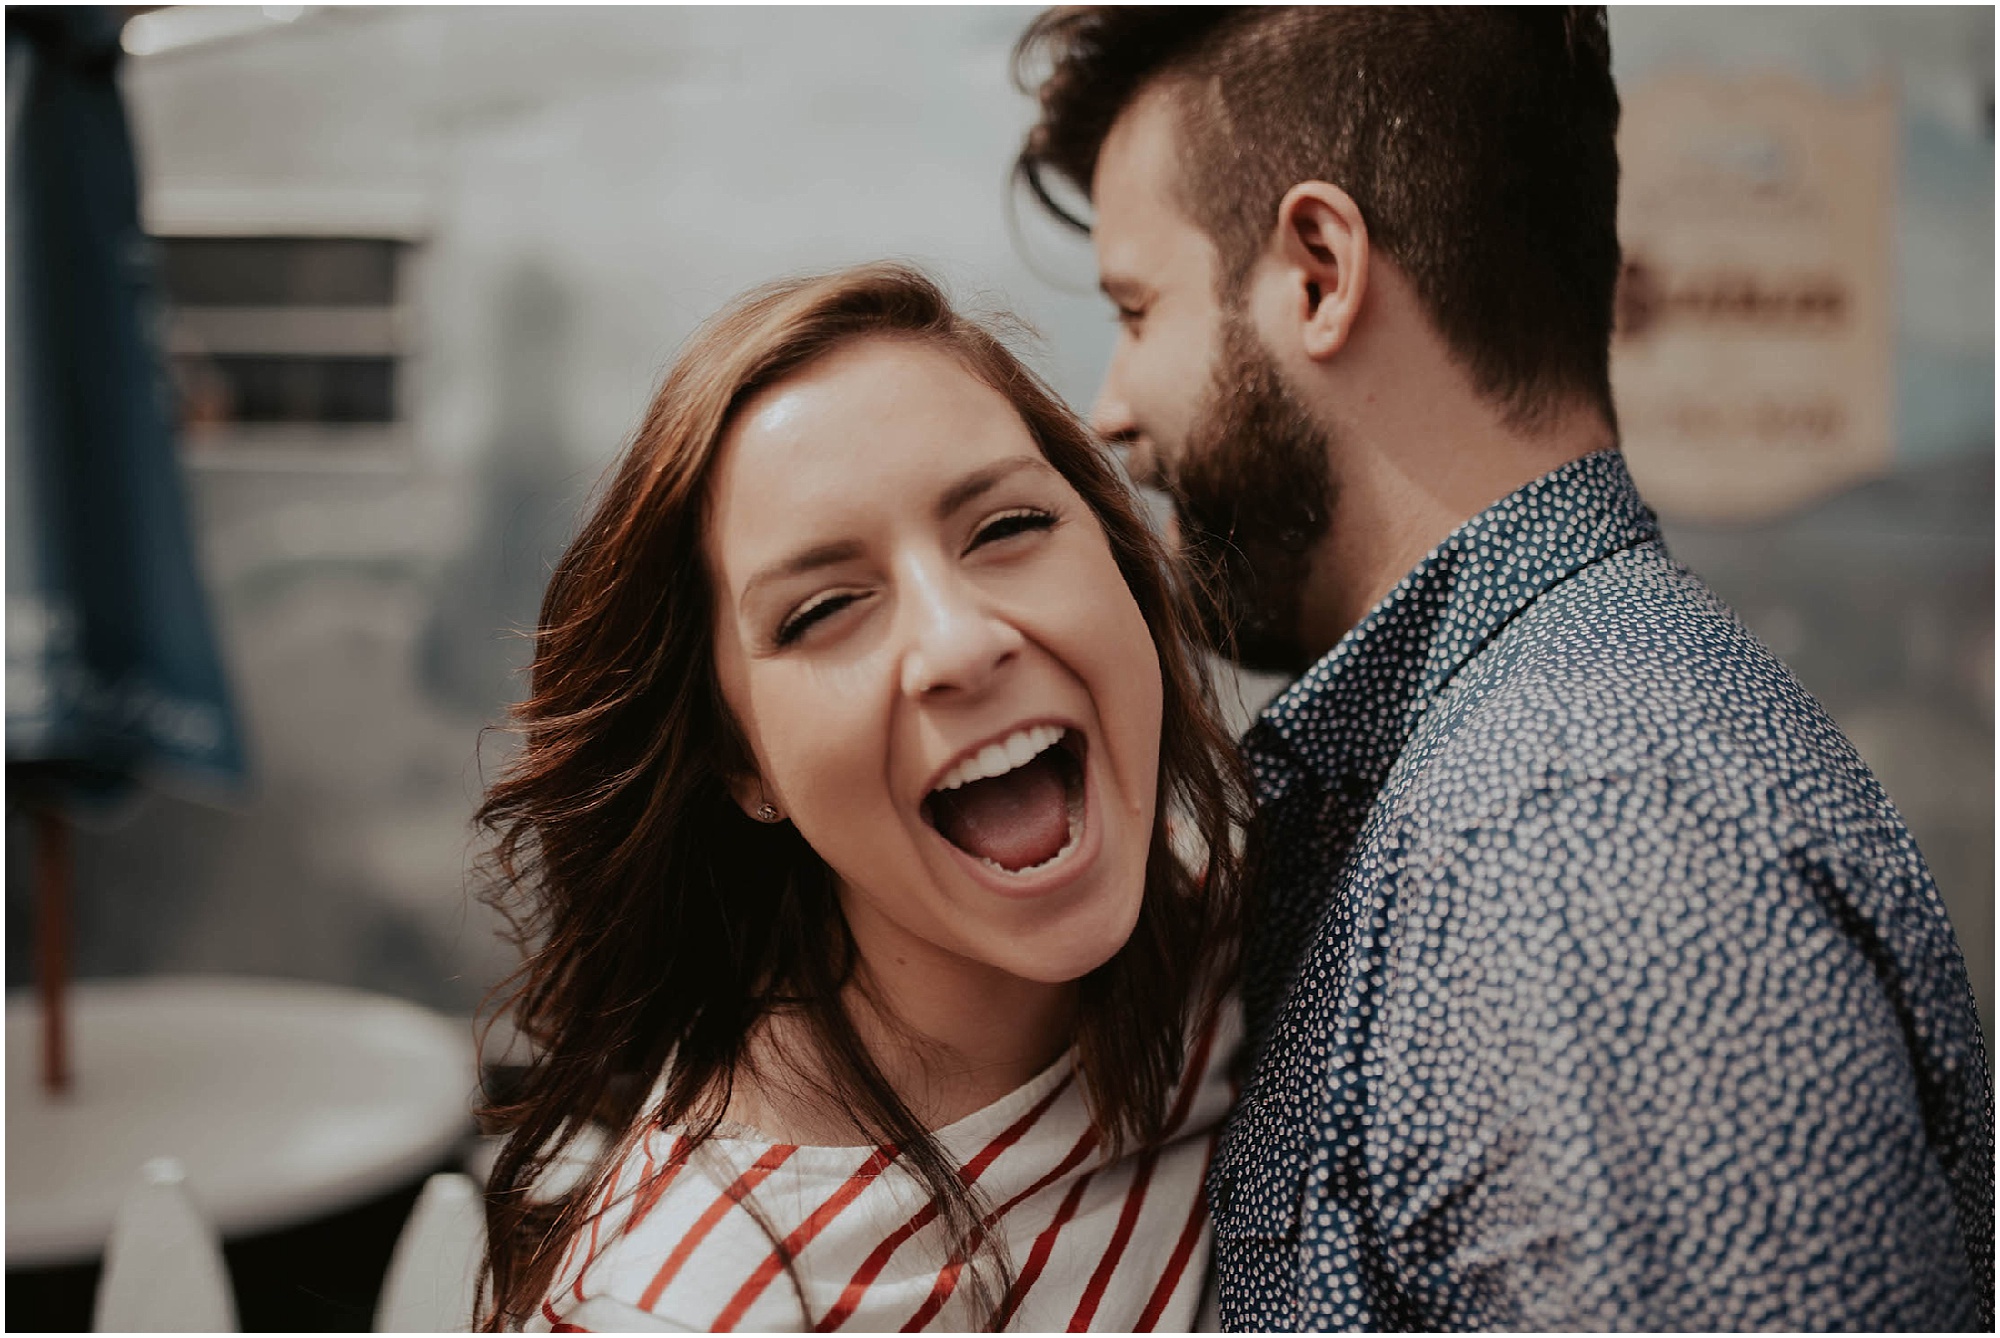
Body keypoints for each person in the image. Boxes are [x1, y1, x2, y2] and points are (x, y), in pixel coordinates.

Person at [1014, 6, 1992, 1330]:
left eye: (1137, 311)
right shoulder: (1520, 780)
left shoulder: (1576, 837)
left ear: (1317, 271)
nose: (1113, 408)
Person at [473, 263, 1253, 1331]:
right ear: (741, 763)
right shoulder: (690, 1305)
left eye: (1006, 528)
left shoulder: (1278, 939)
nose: (960, 644)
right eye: (823, 609)